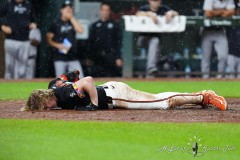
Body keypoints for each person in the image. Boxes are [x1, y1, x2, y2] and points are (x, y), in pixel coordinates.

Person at [22, 71, 227, 111]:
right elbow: (71, 75)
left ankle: (203, 96)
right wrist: (72, 78)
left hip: (115, 96)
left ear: (45, 98)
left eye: (43, 106)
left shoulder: (63, 95)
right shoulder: (53, 85)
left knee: (162, 103)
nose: (46, 109)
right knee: (156, 99)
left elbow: (87, 80)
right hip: (112, 89)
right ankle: (201, 97)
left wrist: (93, 104)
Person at [136, 0, 178, 77]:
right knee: (155, 41)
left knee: (155, 41)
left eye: (157, 0)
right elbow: (137, 14)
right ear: (149, 1)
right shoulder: (145, 8)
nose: (155, 2)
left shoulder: (163, 8)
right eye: (153, 0)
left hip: (156, 40)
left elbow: (176, 13)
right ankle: (151, 68)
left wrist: (170, 13)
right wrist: (148, 14)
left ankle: (151, 73)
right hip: (143, 38)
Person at [47, 0, 84, 79]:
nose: (68, 10)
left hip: (73, 56)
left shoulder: (72, 21)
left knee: (80, 78)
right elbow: (49, 39)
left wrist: (72, 18)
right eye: (66, 9)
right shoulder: (55, 23)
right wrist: (58, 45)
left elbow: (80, 30)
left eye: (70, 9)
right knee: (60, 80)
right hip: (60, 57)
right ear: (61, 10)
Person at [0, 0, 37, 79]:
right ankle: (8, 84)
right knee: (9, 64)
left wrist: (33, 24)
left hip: (24, 40)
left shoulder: (28, 4)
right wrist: (2, 26)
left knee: (23, 66)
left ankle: (20, 85)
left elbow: (34, 19)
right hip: (11, 39)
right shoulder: (8, 3)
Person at [201, 0, 235, 79]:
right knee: (206, 57)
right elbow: (208, 13)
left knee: (223, 56)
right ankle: (205, 77)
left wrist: (214, 12)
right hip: (207, 30)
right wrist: (223, 12)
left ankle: (220, 76)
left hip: (220, 31)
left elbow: (231, 12)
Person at [88, 2, 123, 77]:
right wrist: (89, 57)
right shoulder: (95, 25)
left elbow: (118, 42)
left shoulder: (114, 25)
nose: (105, 12)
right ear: (100, 11)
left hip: (111, 56)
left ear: (110, 11)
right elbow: (90, 43)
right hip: (97, 57)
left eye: (107, 10)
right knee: (97, 78)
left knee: (111, 79)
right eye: (103, 10)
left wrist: (118, 57)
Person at [226, 3, 240, 79]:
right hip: (231, 53)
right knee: (230, 77)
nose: (239, 11)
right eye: (238, 10)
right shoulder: (231, 20)